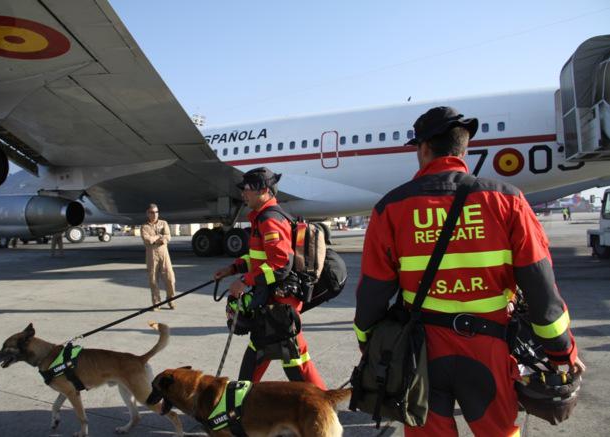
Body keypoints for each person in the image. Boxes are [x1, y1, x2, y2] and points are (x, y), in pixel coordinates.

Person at [353, 106, 584, 436]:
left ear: (423, 148)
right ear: (464, 149)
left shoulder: (391, 207)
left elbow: (372, 293)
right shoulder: (508, 201)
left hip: (420, 354)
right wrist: (562, 353)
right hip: (489, 349)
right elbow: (541, 291)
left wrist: (369, 344)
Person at [214, 167, 326, 389]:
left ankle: (321, 404)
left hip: (281, 302)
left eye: (246, 189)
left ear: (263, 190)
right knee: (263, 350)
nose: (243, 194)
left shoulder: (270, 220)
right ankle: (241, 401)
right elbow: (259, 258)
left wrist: (245, 281)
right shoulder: (261, 218)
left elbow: (280, 264)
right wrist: (233, 268)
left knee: (292, 356)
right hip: (273, 301)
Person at [141, 203, 176, 310]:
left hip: (164, 254)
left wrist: (157, 238)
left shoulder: (163, 223)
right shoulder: (144, 227)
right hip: (151, 255)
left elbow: (168, 237)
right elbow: (147, 240)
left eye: (156, 212)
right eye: (152, 212)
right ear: (148, 213)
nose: (155, 214)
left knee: (170, 278)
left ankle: (171, 300)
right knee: (153, 280)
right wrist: (159, 237)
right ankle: (156, 303)